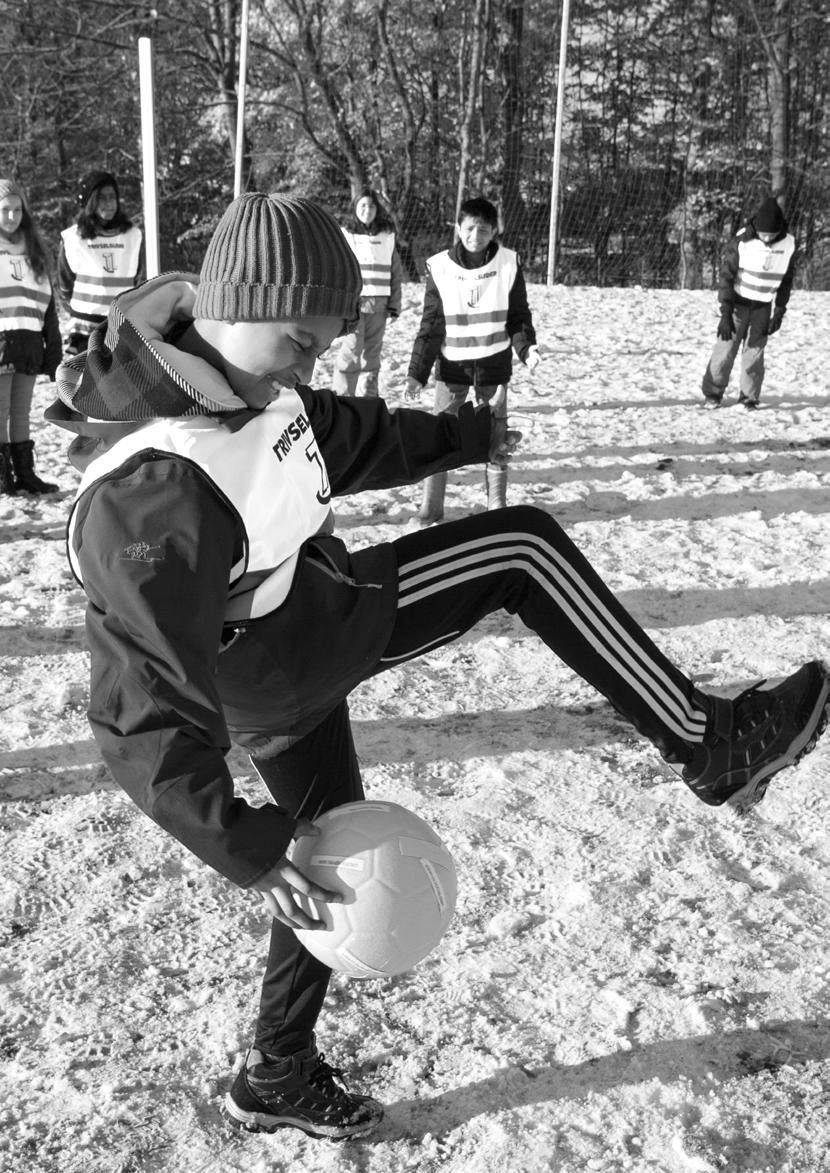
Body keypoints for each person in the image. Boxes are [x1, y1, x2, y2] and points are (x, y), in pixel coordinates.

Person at [48, 193, 829, 1142]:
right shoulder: (153, 492)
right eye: (300, 340)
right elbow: (141, 714)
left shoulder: (245, 380)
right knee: (522, 552)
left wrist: (463, 437)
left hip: (298, 631)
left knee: (328, 856)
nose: (312, 361)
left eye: (324, 343)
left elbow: (341, 434)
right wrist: (239, 844)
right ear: (236, 305)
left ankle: (276, 1069)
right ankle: (711, 742)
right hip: (293, 652)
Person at [405, 196, 541, 525]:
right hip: (451, 369)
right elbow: (431, 324)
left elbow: (518, 316)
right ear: (458, 229)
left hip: (494, 367)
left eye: (483, 229)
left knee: (497, 435)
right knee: (441, 436)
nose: (475, 235)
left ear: (495, 230)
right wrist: (416, 373)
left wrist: (527, 349)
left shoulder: (508, 263)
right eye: (469, 228)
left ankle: (497, 507)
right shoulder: (439, 266)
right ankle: (431, 509)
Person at [701, 195, 796, 410]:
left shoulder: (788, 243)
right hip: (737, 304)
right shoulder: (742, 241)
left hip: (763, 305)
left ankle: (749, 397)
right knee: (725, 349)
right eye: (764, 234)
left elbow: (787, 278)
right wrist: (725, 313)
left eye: (772, 235)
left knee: (755, 352)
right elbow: (726, 276)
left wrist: (779, 311)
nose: (767, 238)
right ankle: (713, 393)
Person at [0, 177, 61, 495]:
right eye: (5, 210)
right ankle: (2, 478)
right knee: (0, 411)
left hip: (28, 343)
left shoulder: (34, 249)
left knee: (21, 411)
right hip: (0, 342)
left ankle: (24, 473)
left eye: (16, 210)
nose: (12, 216)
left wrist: (53, 347)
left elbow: (47, 304)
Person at [58, 170, 144, 357]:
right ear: (90, 202)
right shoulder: (74, 238)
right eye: (102, 198)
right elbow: (65, 285)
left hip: (121, 325)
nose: (109, 204)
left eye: (112, 197)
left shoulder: (133, 236)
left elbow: (139, 278)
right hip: (85, 329)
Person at [332, 187, 402, 398]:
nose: (367, 209)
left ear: (377, 209)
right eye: (363, 205)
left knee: (373, 352)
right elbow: (337, 269)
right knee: (352, 350)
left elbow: (395, 271)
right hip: (353, 303)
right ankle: (342, 398)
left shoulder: (387, 235)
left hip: (379, 304)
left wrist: (395, 303)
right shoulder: (346, 234)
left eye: (371, 205)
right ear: (355, 208)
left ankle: (368, 400)